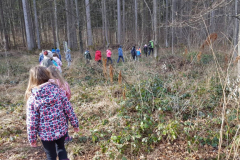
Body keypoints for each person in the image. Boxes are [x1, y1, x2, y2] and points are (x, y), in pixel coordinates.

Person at [25, 66, 79, 160]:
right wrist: (75, 124)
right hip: (61, 130)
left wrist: (32, 138)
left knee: (51, 155)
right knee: (61, 149)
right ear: (47, 75)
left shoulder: (33, 99)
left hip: (46, 135)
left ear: (32, 79)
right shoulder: (58, 90)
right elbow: (68, 109)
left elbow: (32, 122)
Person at [47, 66, 72, 142]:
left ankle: (54, 137)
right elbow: (68, 94)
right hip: (64, 107)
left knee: (53, 122)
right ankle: (65, 137)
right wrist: (66, 101)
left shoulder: (48, 84)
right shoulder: (64, 83)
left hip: (51, 108)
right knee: (64, 122)